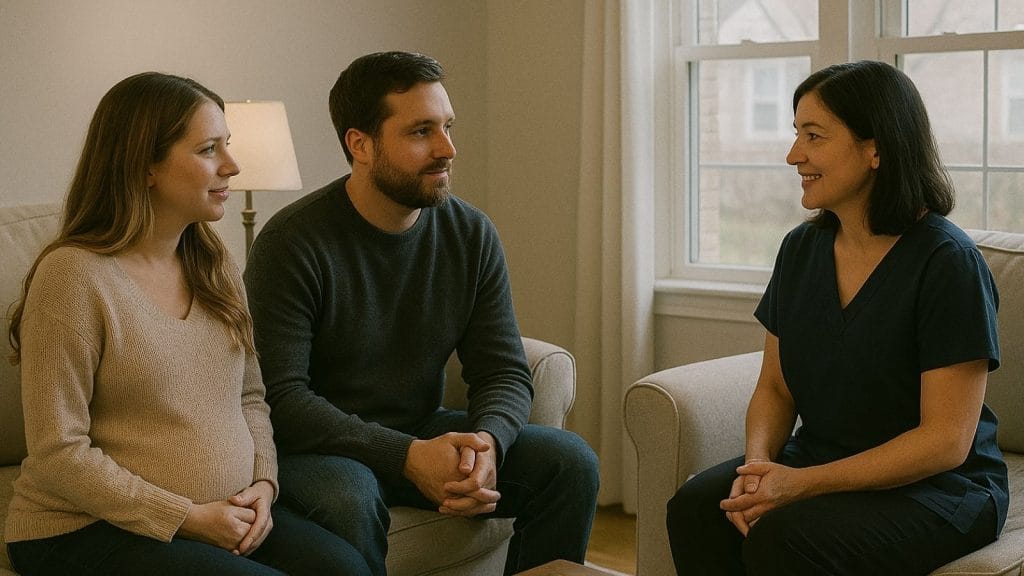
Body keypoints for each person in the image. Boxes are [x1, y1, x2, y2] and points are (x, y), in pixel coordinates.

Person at [243, 51, 599, 576]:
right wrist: (408, 456)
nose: (447, 149)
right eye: (421, 132)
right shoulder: (293, 242)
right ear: (360, 144)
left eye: (448, 127)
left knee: (569, 462)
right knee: (350, 495)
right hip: (319, 448)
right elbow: (283, 399)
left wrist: (486, 445)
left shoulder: (470, 233)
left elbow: (502, 369)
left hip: (422, 429)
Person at [4, 72, 370, 576]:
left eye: (228, 146)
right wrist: (187, 517)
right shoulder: (73, 277)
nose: (232, 165)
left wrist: (264, 485)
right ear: (146, 165)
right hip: (84, 528)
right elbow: (57, 453)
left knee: (346, 568)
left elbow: (251, 396)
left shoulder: (212, 262)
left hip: (223, 514)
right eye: (207, 149)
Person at [666, 60, 1009, 575]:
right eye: (795, 133)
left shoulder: (947, 262)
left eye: (814, 136)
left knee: (786, 539)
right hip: (820, 460)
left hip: (939, 489)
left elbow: (945, 442)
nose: (793, 155)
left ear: (876, 148)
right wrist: (758, 467)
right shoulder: (801, 249)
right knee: (697, 508)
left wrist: (799, 484)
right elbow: (776, 388)